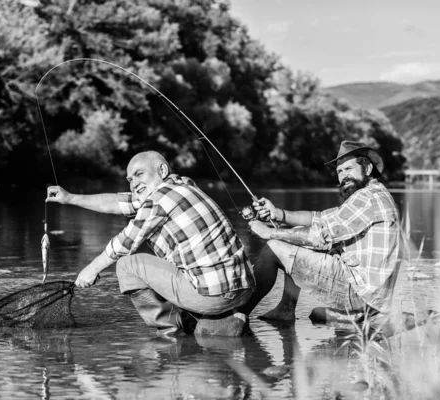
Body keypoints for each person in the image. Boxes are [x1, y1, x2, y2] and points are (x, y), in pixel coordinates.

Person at [46, 151, 255, 336]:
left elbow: (125, 242)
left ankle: (175, 330)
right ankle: (225, 316)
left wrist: (91, 269)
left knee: (127, 265)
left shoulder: (158, 200)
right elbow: (119, 203)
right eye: (129, 179)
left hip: (212, 295)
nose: (134, 183)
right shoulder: (182, 185)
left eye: (139, 174)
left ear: (162, 170)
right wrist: (70, 198)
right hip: (244, 290)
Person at [246, 141, 401, 323]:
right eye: (339, 172)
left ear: (367, 169)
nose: (344, 176)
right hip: (372, 296)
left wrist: (269, 233)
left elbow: (318, 236)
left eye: (348, 168)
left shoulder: (367, 197)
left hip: (361, 293)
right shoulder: (373, 193)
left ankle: (237, 313)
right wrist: (278, 214)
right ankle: (285, 309)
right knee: (295, 235)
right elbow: (319, 218)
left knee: (273, 248)